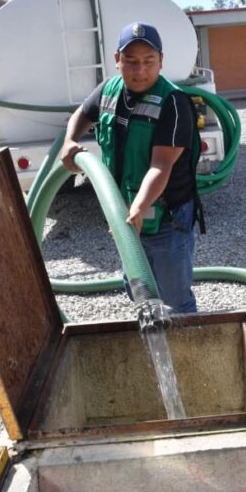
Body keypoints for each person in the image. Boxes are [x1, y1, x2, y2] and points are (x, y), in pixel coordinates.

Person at [60, 22, 203, 314]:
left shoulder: (174, 103)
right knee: (137, 288)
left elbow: (161, 165)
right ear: (117, 61)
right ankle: (151, 335)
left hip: (166, 216)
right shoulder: (109, 90)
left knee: (174, 299)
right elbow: (82, 114)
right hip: (126, 213)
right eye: (131, 61)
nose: (140, 71)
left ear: (161, 61)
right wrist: (69, 141)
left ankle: (185, 351)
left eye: (149, 62)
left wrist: (137, 209)